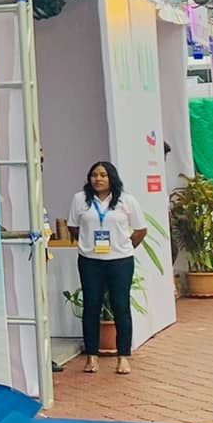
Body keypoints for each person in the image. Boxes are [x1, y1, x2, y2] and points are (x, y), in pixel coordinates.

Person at [67, 160, 147, 373]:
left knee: (121, 307)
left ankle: (123, 356)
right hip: (90, 260)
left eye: (103, 175)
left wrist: (123, 247)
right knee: (91, 306)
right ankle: (92, 356)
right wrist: (88, 244)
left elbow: (140, 230)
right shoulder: (80, 199)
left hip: (120, 261)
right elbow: (73, 227)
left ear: (112, 178)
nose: (98, 179)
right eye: (94, 175)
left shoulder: (126, 200)